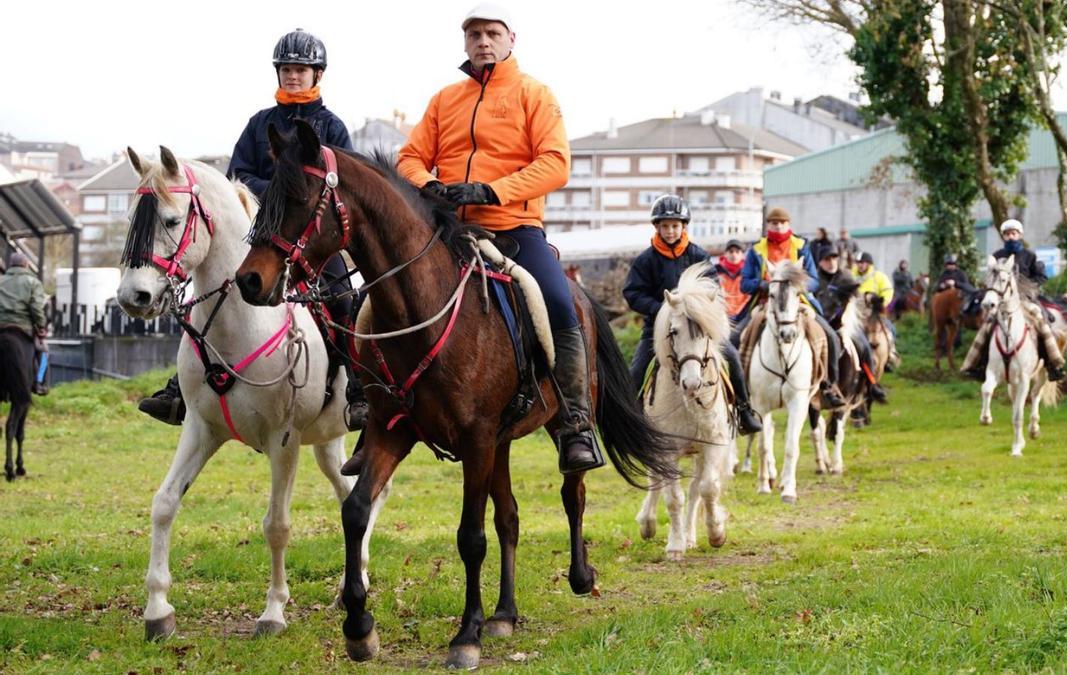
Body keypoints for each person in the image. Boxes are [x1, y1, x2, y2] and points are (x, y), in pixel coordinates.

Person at [397, 3, 603, 474]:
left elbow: (556, 163)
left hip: (515, 229)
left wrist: (492, 190)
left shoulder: (536, 94)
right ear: (464, 42)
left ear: (512, 40)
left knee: (556, 299)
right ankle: (375, 408)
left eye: (492, 33)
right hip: (447, 231)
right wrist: (430, 188)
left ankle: (575, 422)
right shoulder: (444, 98)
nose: (482, 41)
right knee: (378, 296)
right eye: (473, 34)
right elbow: (408, 157)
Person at [137, 28, 369, 431]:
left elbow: (342, 185)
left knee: (344, 300)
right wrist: (280, 195)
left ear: (318, 75)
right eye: (286, 69)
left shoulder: (332, 128)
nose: (292, 76)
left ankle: (360, 391)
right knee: (206, 295)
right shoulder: (259, 123)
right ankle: (181, 388)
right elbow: (238, 176)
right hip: (261, 237)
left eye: (301, 69)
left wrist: (295, 201)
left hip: (312, 244)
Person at [623, 196, 761, 435]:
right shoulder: (646, 260)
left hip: (698, 328)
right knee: (636, 371)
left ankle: (744, 410)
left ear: (684, 226)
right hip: (658, 328)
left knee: (733, 358)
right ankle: (629, 421)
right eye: (664, 226)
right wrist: (660, 309)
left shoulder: (699, 256)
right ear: (657, 227)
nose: (670, 231)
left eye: (675, 225)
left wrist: (697, 309)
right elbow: (632, 293)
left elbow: (713, 290)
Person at [739, 207, 847, 407]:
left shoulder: (801, 246)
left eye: (782, 223)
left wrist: (796, 284)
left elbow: (814, 280)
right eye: (773, 223)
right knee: (734, 338)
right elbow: (744, 283)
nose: (778, 226)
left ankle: (829, 387)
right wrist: (763, 284)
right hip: (765, 303)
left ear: (789, 225)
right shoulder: (756, 249)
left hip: (798, 304)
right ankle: (739, 393)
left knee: (831, 337)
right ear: (767, 225)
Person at [960, 219, 1066, 382]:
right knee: (987, 326)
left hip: (1025, 300)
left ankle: (1053, 365)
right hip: (1002, 301)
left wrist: (1029, 288)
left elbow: (1040, 277)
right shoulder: (997, 256)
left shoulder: (1029, 256)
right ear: (1003, 236)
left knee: (1041, 321)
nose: (1011, 236)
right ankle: (976, 365)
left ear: (1019, 235)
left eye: (1013, 233)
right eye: (1007, 234)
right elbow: (990, 278)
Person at [813, 244, 888, 403]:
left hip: (843, 324)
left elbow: (855, 298)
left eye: (834, 258)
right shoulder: (814, 279)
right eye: (827, 259)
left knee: (863, 345)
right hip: (818, 323)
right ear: (820, 262)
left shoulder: (845, 276)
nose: (831, 262)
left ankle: (872, 383)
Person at [0, 253, 47, 391]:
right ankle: (39, 383)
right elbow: (36, 308)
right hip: (23, 327)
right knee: (43, 351)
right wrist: (41, 327)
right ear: (26, 265)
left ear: (10, 266)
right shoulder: (33, 283)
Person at [716, 239, 751, 324]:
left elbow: (749, 296)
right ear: (725, 254)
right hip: (721, 317)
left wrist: (740, 313)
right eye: (731, 252)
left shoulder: (748, 272)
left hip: (744, 316)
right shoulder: (716, 271)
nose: (734, 254)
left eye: (737, 252)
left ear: (742, 255)